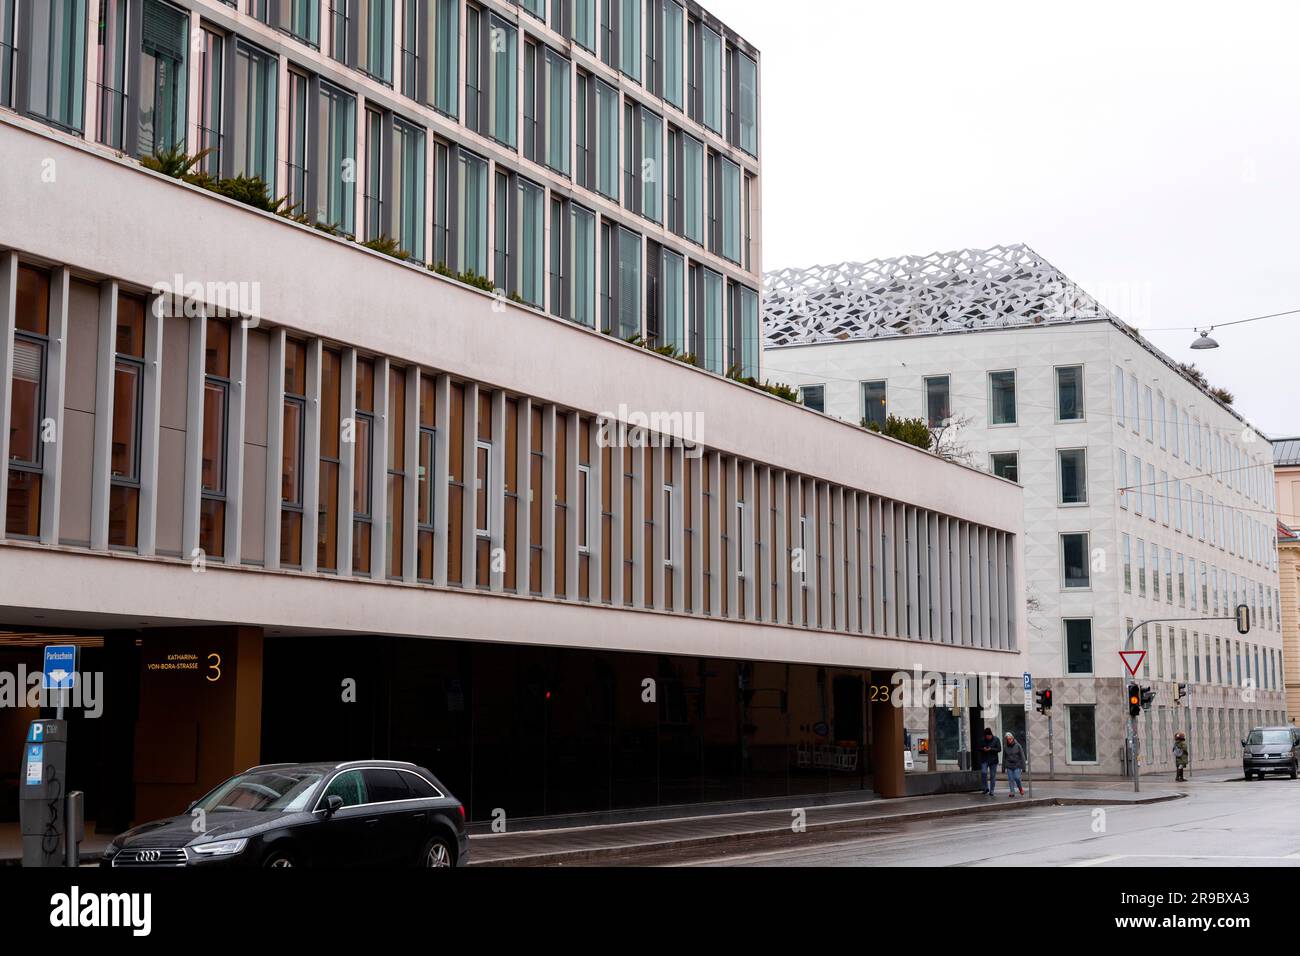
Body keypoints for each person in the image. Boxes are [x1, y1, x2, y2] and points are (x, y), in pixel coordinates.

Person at [978, 728, 1001, 796]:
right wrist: (983, 749)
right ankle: (985, 788)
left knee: (992, 776)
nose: (988, 737)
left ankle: (992, 790)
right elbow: (979, 748)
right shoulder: (982, 739)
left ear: (991, 734)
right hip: (984, 759)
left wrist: (991, 749)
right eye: (986, 736)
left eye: (989, 736)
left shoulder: (996, 739)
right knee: (983, 773)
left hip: (993, 760)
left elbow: (999, 749)